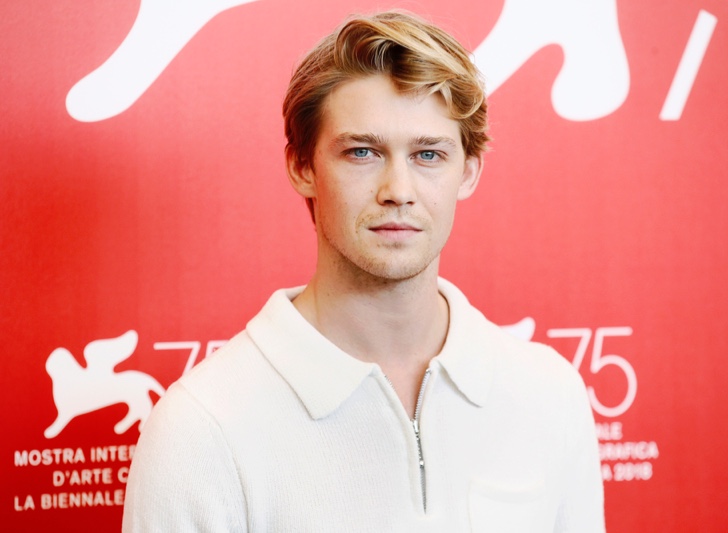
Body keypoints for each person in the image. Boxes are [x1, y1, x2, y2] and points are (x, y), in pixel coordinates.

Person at [122, 11, 605, 532]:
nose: (398, 189)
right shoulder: (202, 427)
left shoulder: (548, 394)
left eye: (427, 154)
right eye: (362, 152)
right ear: (302, 167)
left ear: (467, 171)